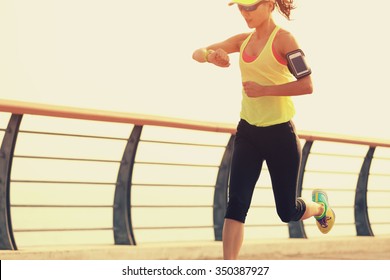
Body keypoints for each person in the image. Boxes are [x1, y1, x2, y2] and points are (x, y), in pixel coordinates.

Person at [192, 0, 335, 260]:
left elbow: (307, 85)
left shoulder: (285, 41)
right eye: (241, 8)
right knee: (236, 204)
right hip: (248, 132)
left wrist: (265, 90)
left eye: (251, 7)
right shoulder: (242, 41)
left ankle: (320, 207)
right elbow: (197, 52)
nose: (245, 13)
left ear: (269, 5)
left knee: (287, 211)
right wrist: (211, 57)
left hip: (280, 135)